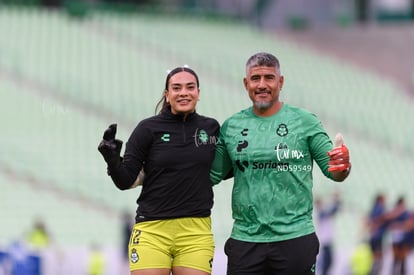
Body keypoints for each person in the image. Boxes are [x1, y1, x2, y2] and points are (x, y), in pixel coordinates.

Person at [210, 52, 351, 275]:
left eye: (269, 77)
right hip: (246, 240)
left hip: (294, 237)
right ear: (246, 83)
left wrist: (343, 166)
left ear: (281, 82)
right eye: (256, 78)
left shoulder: (305, 121)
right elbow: (210, 175)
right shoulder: (231, 126)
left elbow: (335, 171)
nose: (262, 85)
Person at [98, 66, 220, 275]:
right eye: (176, 88)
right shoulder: (147, 129)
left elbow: (224, 168)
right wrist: (112, 161)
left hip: (196, 232)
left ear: (198, 93)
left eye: (190, 87)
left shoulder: (211, 128)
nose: (183, 92)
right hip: (152, 231)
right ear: (167, 94)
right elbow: (125, 180)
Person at [315, 193, 341, 275]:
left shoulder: (322, 212)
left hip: (327, 242)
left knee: (328, 263)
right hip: (326, 243)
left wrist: (336, 201)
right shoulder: (321, 213)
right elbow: (332, 211)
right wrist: (336, 200)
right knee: (327, 263)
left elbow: (334, 210)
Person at [366, 193, 387, 275]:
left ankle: (372, 270)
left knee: (374, 256)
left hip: (374, 236)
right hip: (378, 236)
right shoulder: (380, 208)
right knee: (377, 256)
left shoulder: (374, 208)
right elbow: (380, 219)